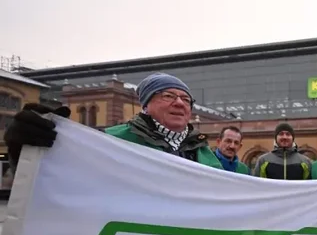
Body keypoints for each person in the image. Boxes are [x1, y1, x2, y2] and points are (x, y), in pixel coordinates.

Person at [4, 73, 222, 173]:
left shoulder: (204, 151)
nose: (179, 103)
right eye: (167, 96)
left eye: (185, 99)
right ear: (145, 105)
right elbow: (58, 180)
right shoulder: (112, 140)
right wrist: (23, 150)